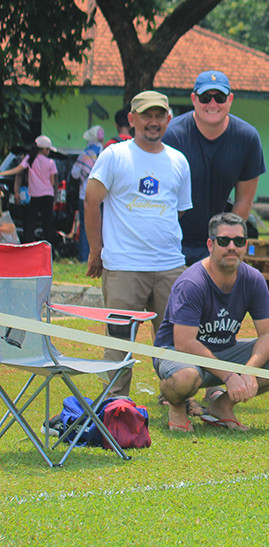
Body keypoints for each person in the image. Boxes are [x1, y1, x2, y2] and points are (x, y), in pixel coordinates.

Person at [85, 91, 192, 397]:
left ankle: (177, 399)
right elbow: (92, 202)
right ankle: (114, 406)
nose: (153, 122)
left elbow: (179, 209)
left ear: (168, 119)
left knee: (175, 341)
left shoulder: (178, 161)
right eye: (146, 115)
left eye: (159, 116)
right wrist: (96, 250)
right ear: (132, 119)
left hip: (170, 267)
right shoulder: (115, 156)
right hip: (123, 267)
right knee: (118, 343)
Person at [153, 213, 269, 432]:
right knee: (185, 377)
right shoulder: (192, 283)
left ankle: (222, 405)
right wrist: (228, 375)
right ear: (210, 244)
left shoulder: (253, 279)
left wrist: (249, 371)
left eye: (238, 241)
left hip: (223, 351)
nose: (231, 247)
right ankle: (176, 405)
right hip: (178, 354)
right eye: (224, 241)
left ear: (245, 245)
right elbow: (184, 343)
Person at [163, 70, 266, 266]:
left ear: (230, 99)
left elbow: (244, 200)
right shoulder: (172, 137)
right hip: (172, 242)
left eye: (219, 98)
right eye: (205, 98)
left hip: (217, 244)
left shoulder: (247, 138)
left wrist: (227, 242)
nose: (212, 105)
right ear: (193, 99)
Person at [0, 135, 58, 244]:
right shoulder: (51, 162)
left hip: (35, 196)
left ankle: (28, 246)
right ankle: (48, 249)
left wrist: (2, 173)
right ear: (45, 150)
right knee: (47, 225)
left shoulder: (29, 159)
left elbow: (17, 170)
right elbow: (53, 182)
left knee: (31, 224)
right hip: (48, 196)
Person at [71, 125, 104, 262]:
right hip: (102, 195)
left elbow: (74, 173)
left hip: (85, 194)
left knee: (85, 226)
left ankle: (85, 256)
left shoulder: (85, 154)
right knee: (101, 225)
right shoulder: (105, 152)